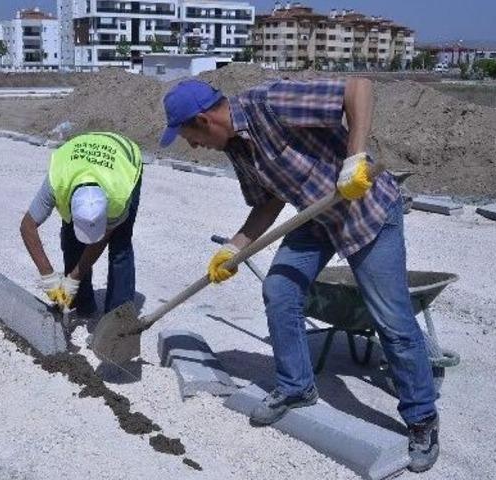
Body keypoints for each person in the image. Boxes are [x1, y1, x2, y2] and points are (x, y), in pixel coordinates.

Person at [160, 78, 440, 472]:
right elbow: (268, 202)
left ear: (204, 120)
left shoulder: (270, 103)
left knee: (391, 320)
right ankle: (296, 387)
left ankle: (422, 418)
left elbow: (359, 88)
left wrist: (354, 158)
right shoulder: (237, 148)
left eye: (188, 135)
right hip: (319, 218)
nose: (192, 146)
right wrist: (234, 248)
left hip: (367, 213)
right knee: (280, 290)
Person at [20, 132, 142, 316]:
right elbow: (27, 226)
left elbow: (102, 238)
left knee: (120, 245)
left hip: (123, 157)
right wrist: (48, 276)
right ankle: (81, 303)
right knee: (71, 240)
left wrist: (74, 278)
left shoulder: (119, 197)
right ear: (70, 203)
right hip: (77, 158)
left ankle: (118, 317)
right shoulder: (58, 182)